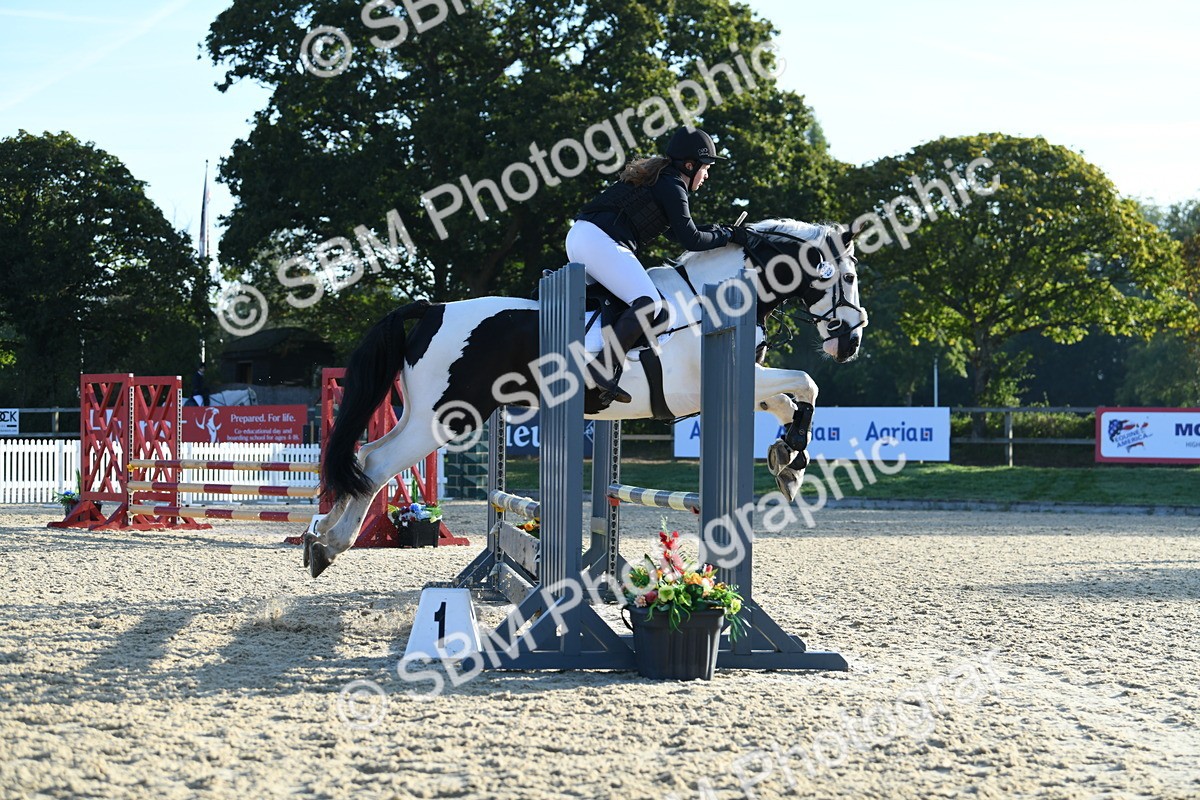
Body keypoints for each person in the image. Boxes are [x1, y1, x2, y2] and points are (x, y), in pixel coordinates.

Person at [567, 127, 750, 405]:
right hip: (599, 240)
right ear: (690, 165)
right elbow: (691, 239)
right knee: (650, 302)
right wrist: (729, 235)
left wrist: (719, 231)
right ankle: (603, 366)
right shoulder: (673, 185)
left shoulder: (663, 180)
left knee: (622, 302)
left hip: (584, 237)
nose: (707, 175)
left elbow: (679, 233)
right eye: (706, 167)